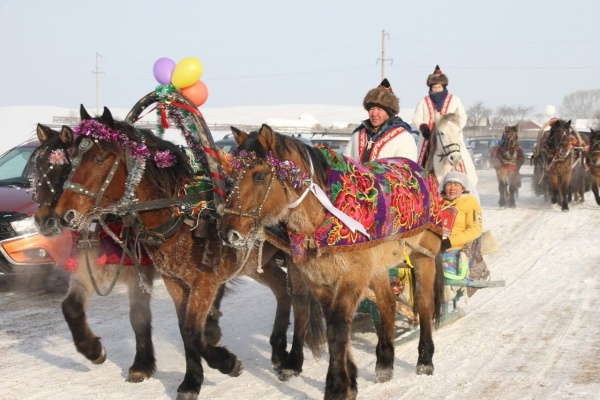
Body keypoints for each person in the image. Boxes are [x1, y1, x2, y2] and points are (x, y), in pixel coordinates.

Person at [438, 171, 489, 300]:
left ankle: (442, 298)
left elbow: (474, 229)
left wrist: (450, 242)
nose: (452, 188)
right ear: (444, 186)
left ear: (463, 187)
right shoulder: (437, 201)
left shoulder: (469, 202)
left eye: (456, 184)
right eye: (449, 184)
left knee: (444, 270)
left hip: (455, 248)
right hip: (433, 244)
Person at [344, 78, 417, 163]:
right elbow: (345, 165)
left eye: (379, 109)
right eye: (371, 108)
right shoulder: (357, 135)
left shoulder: (403, 138)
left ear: (389, 113)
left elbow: (406, 170)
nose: (374, 114)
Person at [413, 65, 468, 167]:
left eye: (439, 87)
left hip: (450, 138)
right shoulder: (423, 101)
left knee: (463, 161)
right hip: (428, 137)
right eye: (434, 87)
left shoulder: (454, 100)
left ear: (444, 87)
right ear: (430, 88)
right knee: (420, 162)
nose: (437, 90)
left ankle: (463, 177)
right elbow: (417, 118)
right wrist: (423, 127)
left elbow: (463, 116)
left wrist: (455, 128)